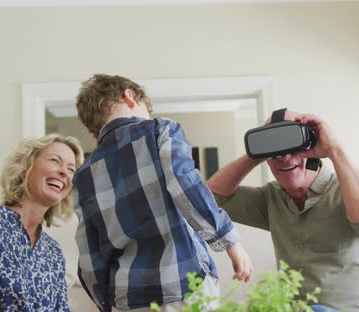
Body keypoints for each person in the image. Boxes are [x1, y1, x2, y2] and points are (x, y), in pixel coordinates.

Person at [73, 74, 254, 312]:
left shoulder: (83, 175)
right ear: (129, 96)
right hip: (182, 286)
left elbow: (89, 251)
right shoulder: (160, 130)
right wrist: (230, 241)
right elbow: (186, 186)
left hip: (128, 298)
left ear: (95, 133)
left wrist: (104, 304)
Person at [207, 110, 359, 312]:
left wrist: (333, 149)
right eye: (274, 151)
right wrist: (257, 150)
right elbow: (210, 198)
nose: (284, 158)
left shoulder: (354, 184)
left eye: (293, 147)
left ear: (312, 146)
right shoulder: (271, 198)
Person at [0, 134, 84, 311]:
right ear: (25, 168)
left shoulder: (53, 253)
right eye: (55, 161)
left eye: (71, 169)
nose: (64, 172)